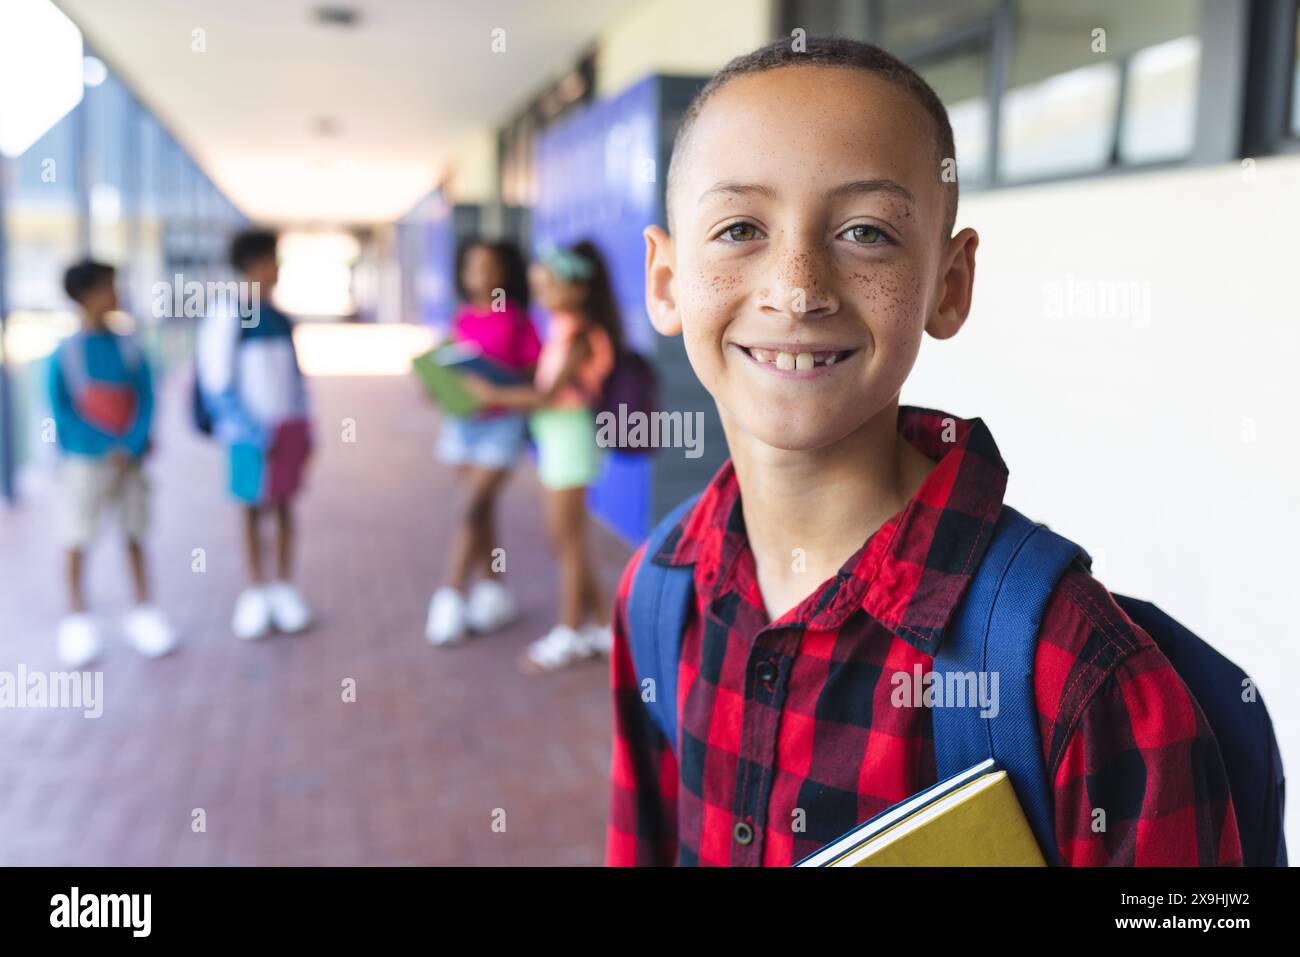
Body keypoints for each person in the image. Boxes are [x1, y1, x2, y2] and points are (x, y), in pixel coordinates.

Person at [605, 37, 1241, 866]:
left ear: (950, 283)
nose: (797, 286)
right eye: (739, 228)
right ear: (665, 281)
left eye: (866, 230)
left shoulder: (1079, 674)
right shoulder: (659, 596)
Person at [462, 242, 617, 672]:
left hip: (570, 439)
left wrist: (494, 395)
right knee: (568, 539)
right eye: (539, 287)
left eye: (551, 286)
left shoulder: (582, 336)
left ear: (579, 289)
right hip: (556, 440)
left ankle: (568, 633)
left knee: (565, 540)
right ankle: (603, 626)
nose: (543, 296)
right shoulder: (562, 329)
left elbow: (547, 395)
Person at [49, 260, 177, 666]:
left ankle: (143, 610)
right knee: (78, 536)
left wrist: (133, 442)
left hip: (130, 462)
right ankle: (77, 618)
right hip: (87, 464)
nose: (116, 295)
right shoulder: (65, 354)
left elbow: (147, 397)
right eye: (108, 287)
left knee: (134, 531)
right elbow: (63, 413)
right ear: (85, 296)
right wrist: (108, 444)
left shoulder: (129, 346)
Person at [196, 229, 313, 640]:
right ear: (252, 265)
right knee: (249, 509)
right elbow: (218, 384)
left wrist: (304, 429)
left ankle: (282, 587)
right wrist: (254, 433)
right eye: (271, 260)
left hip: (286, 431)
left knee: (283, 507)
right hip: (248, 436)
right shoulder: (229, 314)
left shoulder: (279, 318)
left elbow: (297, 381)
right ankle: (256, 590)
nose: (276, 269)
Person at [426, 240, 542, 645]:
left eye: (490, 268)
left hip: (501, 427)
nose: (482, 276)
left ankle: (449, 595)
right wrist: (438, 386)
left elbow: (534, 377)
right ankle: (494, 592)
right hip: (463, 426)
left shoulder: (516, 319)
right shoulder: (461, 318)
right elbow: (452, 375)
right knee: (482, 511)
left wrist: (496, 387)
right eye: (474, 268)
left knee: (470, 507)